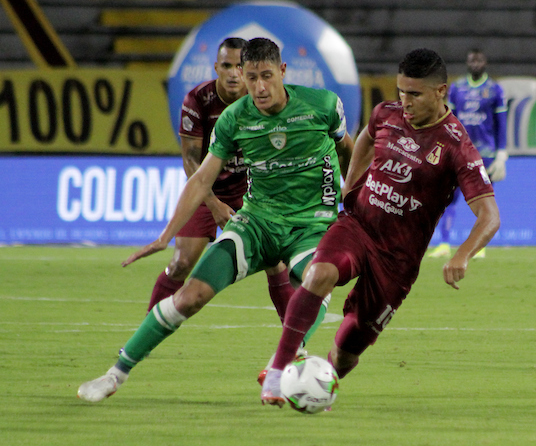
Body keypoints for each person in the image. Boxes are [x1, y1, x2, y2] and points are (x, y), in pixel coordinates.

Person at [77, 37, 354, 403]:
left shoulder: (322, 106)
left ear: (283, 71)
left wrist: (352, 199)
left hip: (311, 226)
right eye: (251, 77)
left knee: (319, 278)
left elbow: (349, 149)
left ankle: (283, 360)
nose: (258, 87)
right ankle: (115, 374)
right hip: (257, 224)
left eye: (266, 76)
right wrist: (165, 235)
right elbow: (202, 179)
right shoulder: (235, 117)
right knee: (190, 297)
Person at [261, 48, 500, 407]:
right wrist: (350, 184)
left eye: (415, 94)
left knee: (347, 348)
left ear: (441, 92)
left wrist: (463, 255)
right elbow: (367, 139)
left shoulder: (456, 147)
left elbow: (490, 215)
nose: (405, 101)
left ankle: (321, 381)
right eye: (401, 91)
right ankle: (278, 374)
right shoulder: (386, 114)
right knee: (319, 273)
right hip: (359, 226)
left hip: (397, 260)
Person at [144, 37, 308, 340]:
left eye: (238, 67)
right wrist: (213, 203)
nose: (234, 73)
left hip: (253, 190)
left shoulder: (263, 98)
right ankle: (148, 328)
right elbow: (191, 161)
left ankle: (295, 347)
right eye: (227, 66)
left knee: (276, 263)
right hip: (209, 189)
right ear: (216, 67)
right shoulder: (198, 101)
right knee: (181, 263)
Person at [429, 48, 507, 259]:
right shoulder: (457, 88)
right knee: (448, 198)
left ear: (485, 63)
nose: (475, 64)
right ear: (467, 62)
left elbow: (501, 123)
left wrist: (502, 153)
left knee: (482, 200)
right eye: (472, 60)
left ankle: (479, 246)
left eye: (479, 60)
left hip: (485, 153)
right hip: (458, 151)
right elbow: (448, 119)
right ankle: (444, 244)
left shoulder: (494, 90)